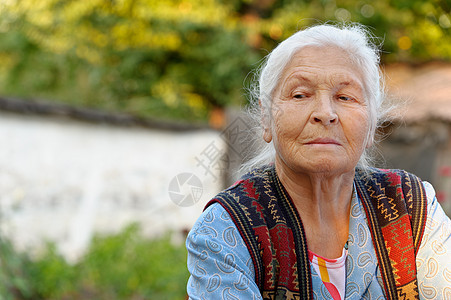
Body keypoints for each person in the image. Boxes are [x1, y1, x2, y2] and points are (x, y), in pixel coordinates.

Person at [185, 23, 451, 299]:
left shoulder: (409, 204)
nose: (325, 113)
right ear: (266, 118)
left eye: (345, 97)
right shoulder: (226, 228)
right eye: (300, 95)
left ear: (372, 124)